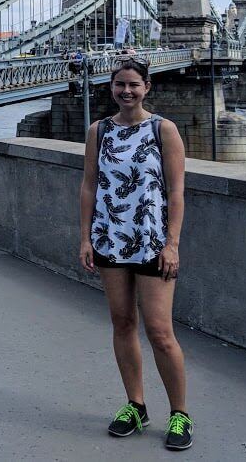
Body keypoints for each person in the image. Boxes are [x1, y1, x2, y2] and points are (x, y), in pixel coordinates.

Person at [78, 57, 192, 451]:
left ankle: (180, 414)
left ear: (147, 88)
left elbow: (176, 192)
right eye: (119, 85)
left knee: (160, 332)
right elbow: (90, 186)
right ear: (111, 88)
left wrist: (173, 243)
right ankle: (136, 406)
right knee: (122, 323)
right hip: (109, 239)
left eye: (134, 85)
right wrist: (86, 238)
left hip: (152, 243)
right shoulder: (99, 131)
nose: (126, 91)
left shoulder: (164, 130)